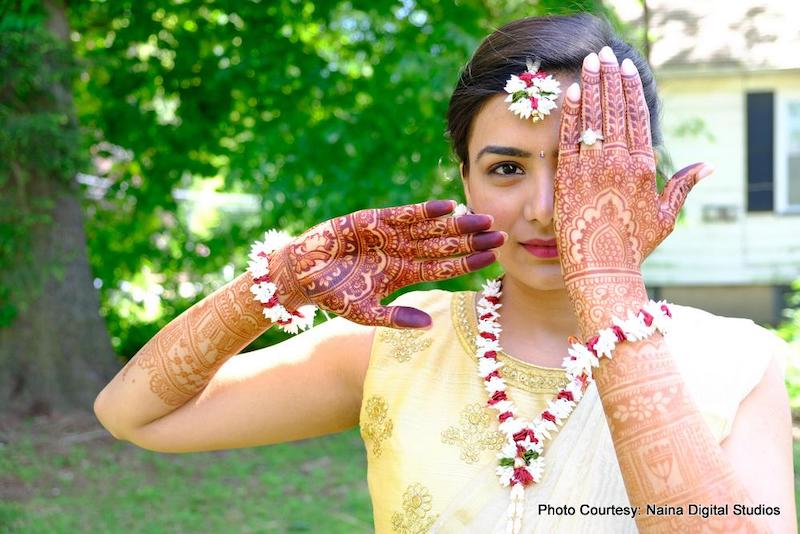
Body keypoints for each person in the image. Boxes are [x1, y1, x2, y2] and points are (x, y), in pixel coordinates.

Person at [93, 13, 796, 533]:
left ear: (640, 177)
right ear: (465, 180)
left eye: (582, 166)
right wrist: (283, 277)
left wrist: (610, 294)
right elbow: (133, 415)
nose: (546, 209)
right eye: (507, 168)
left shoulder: (735, 363)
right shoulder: (401, 347)